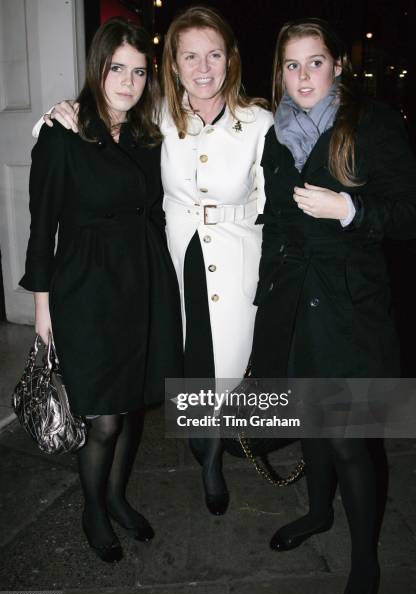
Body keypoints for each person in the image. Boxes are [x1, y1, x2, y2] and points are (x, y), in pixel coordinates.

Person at [38, 6, 274, 516]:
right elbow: (96, 128)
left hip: (236, 259)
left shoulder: (258, 121)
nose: (203, 67)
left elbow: (275, 204)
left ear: (231, 60)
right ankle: (198, 446)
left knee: (223, 368)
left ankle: (212, 457)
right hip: (168, 262)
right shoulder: (158, 115)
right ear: (173, 64)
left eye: (214, 54)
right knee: (184, 368)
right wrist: (54, 115)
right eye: (190, 56)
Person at [249, 17, 416, 594]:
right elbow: (273, 221)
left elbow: (406, 212)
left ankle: (367, 562)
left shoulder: (373, 123)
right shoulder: (275, 134)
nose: (303, 76)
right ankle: (319, 513)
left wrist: (350, 208)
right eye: (291, 65)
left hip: (351, 308)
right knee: (310, 423)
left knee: (348, 439)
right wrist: (263, 300)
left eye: (314, 62)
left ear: (338, 64)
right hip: (293, 303)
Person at [21, 18, 183, 563]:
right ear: (99, 67)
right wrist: (42, 307)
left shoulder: (147, 134)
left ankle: (116, 496)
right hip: (86, 289)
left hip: (141, 283)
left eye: (139, 71)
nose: (129, 81)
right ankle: (92, 506)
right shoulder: (63, 132)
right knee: (104, 416)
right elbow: (41, 226)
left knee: (131, 405)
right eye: (118, 68)